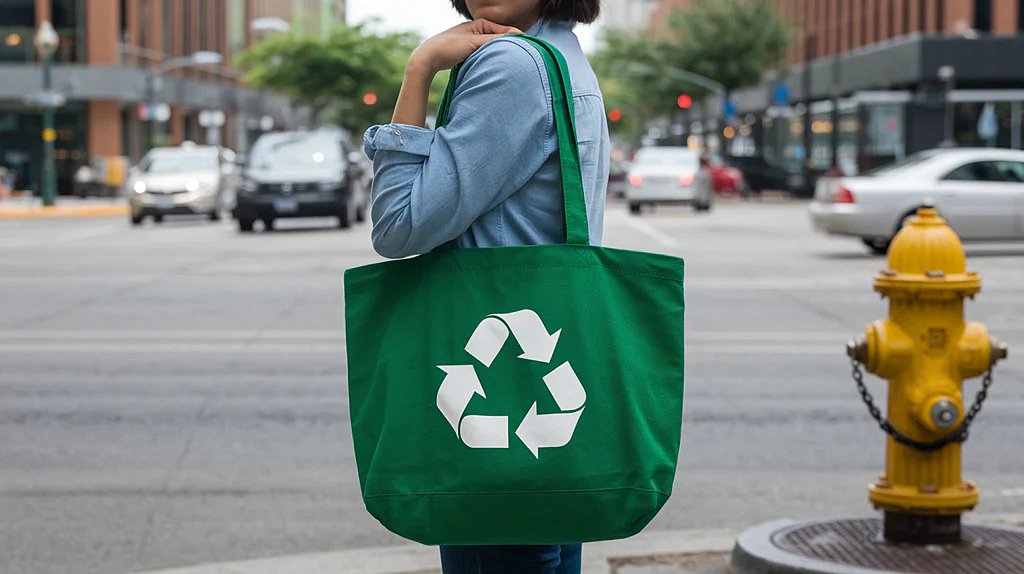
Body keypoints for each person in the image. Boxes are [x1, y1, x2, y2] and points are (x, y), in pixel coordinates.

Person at [362, 0, 608, 572]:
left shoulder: (511, 63)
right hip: (549, 377)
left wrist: (420, 67)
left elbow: (398, 226)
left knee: (500, 544)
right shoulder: (563, 54)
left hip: (497, 393)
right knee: (544, 543)